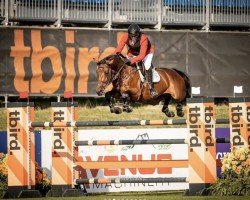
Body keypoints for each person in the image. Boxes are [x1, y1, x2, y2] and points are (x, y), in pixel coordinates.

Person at [114, 24, 158, 98]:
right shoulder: (126, 36)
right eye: (131, 36)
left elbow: (141, 55)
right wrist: (116, 54)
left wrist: (131, 60)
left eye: (135, 36)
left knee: (147, 66)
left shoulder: (143, 38)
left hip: (147, 53)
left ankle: (151, 89)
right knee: (125, 66)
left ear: (138, 34)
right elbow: (119, 48)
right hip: (133, 52)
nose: (133, 38)